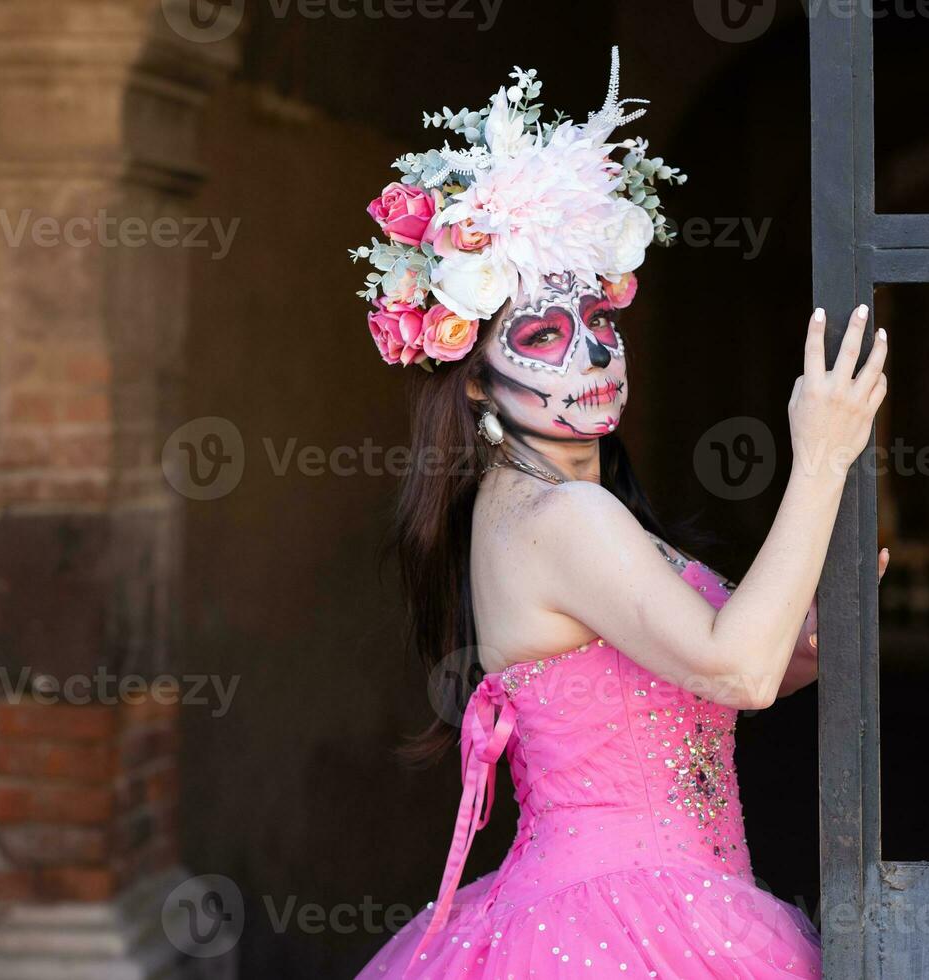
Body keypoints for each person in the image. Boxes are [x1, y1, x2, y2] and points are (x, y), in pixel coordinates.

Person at [352, 49, 887, 979]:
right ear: (474, 374)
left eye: (600, 322)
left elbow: (715, 670)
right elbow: (735, 670)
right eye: (544, 336)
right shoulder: (561, 515)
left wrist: (818, 637)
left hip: (647, 903)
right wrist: (822, 458)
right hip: (623, 927)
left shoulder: (541, 507)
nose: (591, 355)